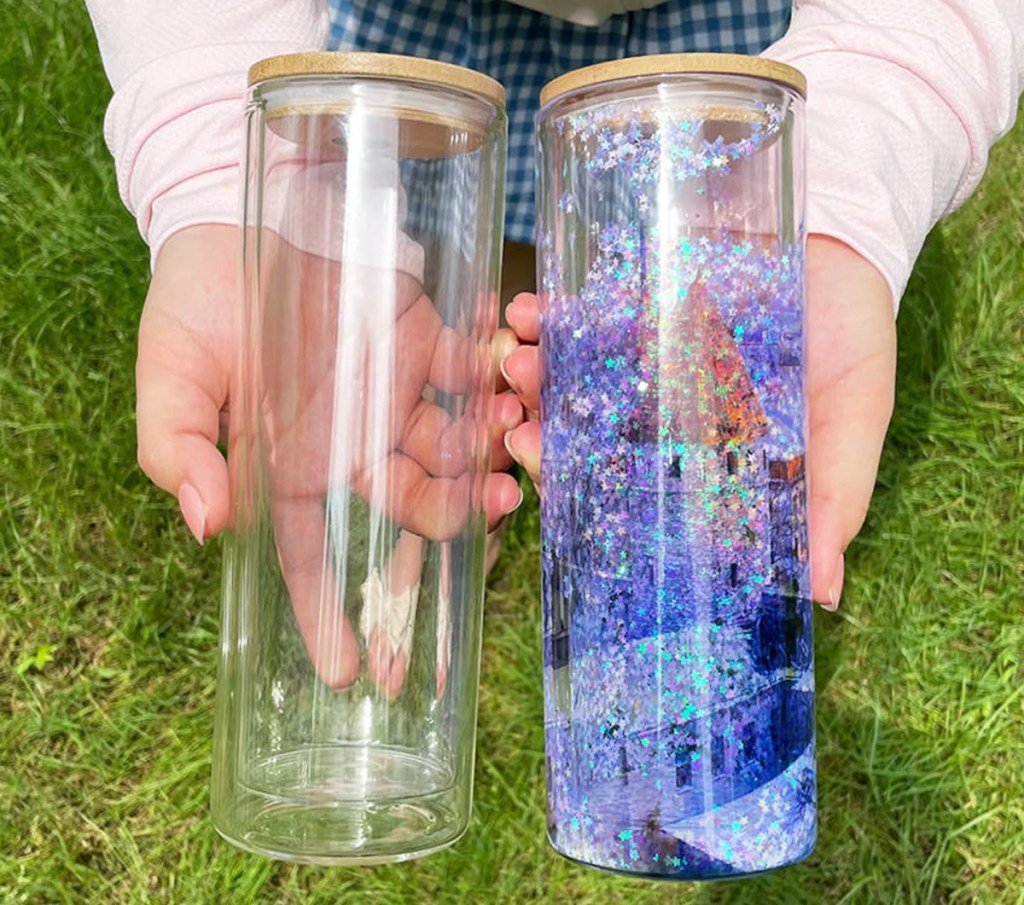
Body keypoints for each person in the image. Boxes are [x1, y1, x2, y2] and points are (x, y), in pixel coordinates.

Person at [85, 0, 1023, 619]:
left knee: (619, 270)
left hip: (695, 17)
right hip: (440, 11)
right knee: (447, 226)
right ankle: (459, 439)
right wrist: (226, 164)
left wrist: (840, 180)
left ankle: (496, 435)